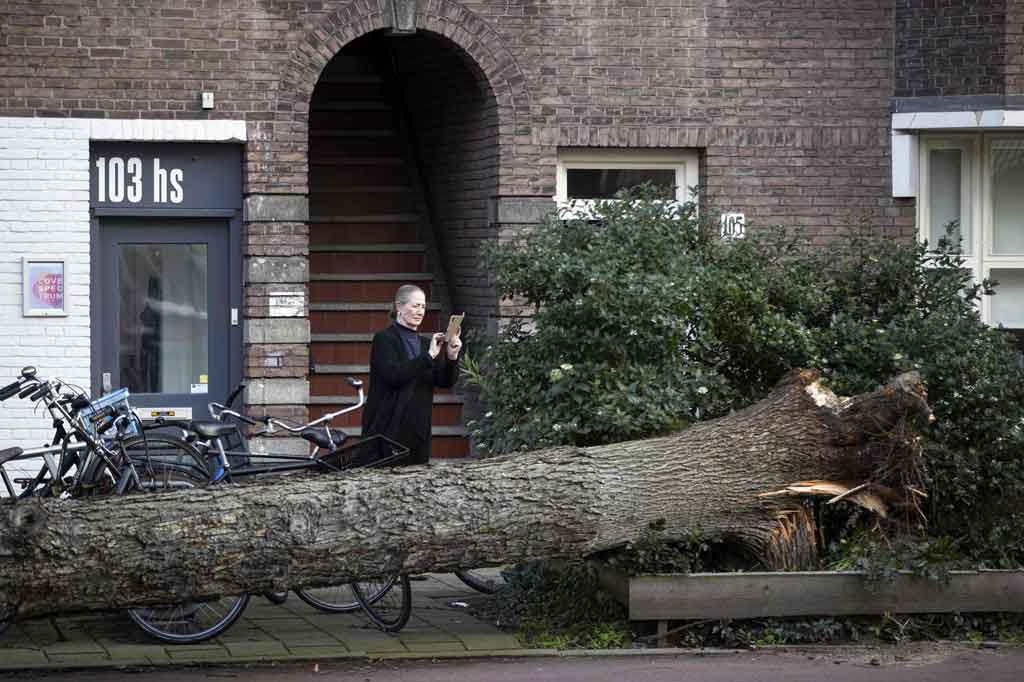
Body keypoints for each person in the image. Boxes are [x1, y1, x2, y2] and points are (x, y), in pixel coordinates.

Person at [361, 284, 462, 465]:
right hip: (387, 428)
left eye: (423, 306)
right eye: (415, 306)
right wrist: (429, 356)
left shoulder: (425, 344)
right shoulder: (384, 339)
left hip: (418, 430)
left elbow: (444, 381)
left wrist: (452, 356)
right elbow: (393, 375)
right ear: (399, 307)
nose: (421, 312)